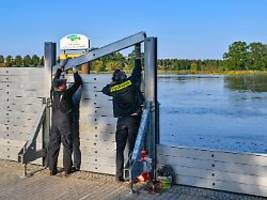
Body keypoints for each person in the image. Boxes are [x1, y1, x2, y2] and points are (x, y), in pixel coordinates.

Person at [102, 51, 144, 182]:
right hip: (133, 120)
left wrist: (113, 83)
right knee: (133, 148)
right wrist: (138, 58)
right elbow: (137, 71)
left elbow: (104, 90)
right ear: (124, 76)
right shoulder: (130, 82)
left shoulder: (113, 89)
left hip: (121, 122)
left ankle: (118, 176)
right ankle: (133, 176)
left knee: (119, 150)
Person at [48, 60, 82, 176]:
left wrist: (60, 68)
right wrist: (75, 71)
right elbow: (78, 83)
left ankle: (52, 169)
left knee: (53, 145)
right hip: (65, 123)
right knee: (67, 145)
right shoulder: (67, 94)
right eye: (64, 83)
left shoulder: (52, 91)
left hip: (55, 122)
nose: (66, 84)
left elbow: (54, 80)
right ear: (61, 87)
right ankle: (67, 169)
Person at [71, 84, 82, 170]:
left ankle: (68, 165)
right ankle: (77, 165)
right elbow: (80, 85)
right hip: (74, 122)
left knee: (67, 145)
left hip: (65, 123)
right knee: (75, 144)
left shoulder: (64, 95)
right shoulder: (75, 98)